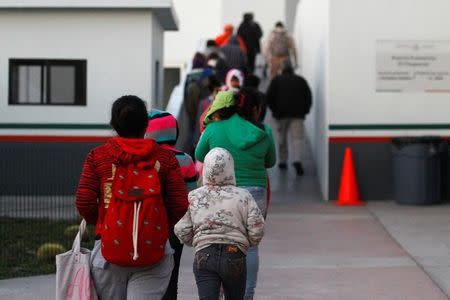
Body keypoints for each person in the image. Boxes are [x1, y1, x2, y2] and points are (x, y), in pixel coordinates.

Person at [76, 95, 188, 300]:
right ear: (146, 125)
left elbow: (84, 202)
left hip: (108, 251)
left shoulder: (98, 156)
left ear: (113, 124)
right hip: (154, 250)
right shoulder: (165, 159)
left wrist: (106, 221)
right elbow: (180, 203)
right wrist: (158, 223)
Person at [196, 89, 276, 300]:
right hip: (256, 191)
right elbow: (271, 162)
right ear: (255, 109)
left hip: (221, 193)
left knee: (218, 241)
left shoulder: (215, 129)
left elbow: (199, 155)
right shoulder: (264, 131)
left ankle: (221, 290)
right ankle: (246, 294)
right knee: (250, 246)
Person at [175, 147, 265, 300]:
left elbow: (181, 229)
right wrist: (244, 242)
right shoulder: (243, 196)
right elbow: (257, 228)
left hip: (204, 255)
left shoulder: (194, 196)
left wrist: (198, 241)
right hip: (234, 254)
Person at [145, 109, 198, 300]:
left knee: (146, 275)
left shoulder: (144, 158)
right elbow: (191, 195)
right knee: (171, 275)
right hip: (175, 226)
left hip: (147, 224)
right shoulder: (185, 159)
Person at [266, 60, 312, 176]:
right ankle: (297, 160)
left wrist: (274, 111)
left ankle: (283, 161)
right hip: (298, 115)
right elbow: (308, 96)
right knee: (297, 139)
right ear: (292, 69)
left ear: (282, 69)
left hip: (281, 115)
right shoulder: (300, 80)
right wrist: (305, 111)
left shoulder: (276, 80)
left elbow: (269, 97)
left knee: (282, 139)